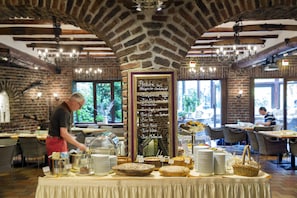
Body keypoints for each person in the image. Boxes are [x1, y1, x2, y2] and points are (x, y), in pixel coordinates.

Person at [46, 92, 87, 157]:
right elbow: (63, 134)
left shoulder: (62, 108)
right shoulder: (64, 111)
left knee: (57, 164)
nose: (80, 108)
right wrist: (79, 145)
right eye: (80, 105)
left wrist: (71, 137)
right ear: (74, 102)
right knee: (60, 165)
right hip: (57, 142)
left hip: (54, 141)